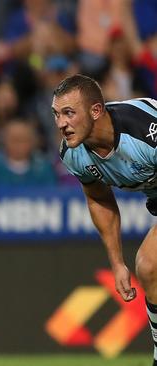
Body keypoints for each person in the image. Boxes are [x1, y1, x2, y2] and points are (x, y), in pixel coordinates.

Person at [53, 74, 157, 365]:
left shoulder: (146, 131)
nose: (61, 123)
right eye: (57, 114)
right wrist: (117, 262)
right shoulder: (74, 155)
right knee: (149, 268)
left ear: (96, 111)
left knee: (150, 262)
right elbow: (99, 198)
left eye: (69, 113)